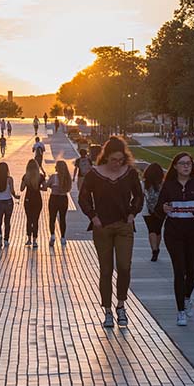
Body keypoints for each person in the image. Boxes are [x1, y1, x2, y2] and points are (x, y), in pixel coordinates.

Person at [78, 136, 144, 328]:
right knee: (106, 270)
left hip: (124, 226)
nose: (117, 163)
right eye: (114, 160)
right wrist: (93, 216)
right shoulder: (94, 174)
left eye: (121, 160)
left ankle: (121, 305)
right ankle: (107, 310)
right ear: (106, 157)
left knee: (124, 267)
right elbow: (83, 198)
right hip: (102, 227)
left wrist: (133, 213)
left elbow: (139, 196)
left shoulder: (129, 173)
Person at [154, 152, 194, 326]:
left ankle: (187, 297)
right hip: (174, 233)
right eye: (182, 163)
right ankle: (180, 311)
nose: (186, 166)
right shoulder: (169, 186)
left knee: (192, 271)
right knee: (179, 271)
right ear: (175, 167)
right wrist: (163, 208)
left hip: (193, 233)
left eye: (189, 163)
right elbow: (158, 209)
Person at [0, 161, 19, 247]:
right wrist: (16, 196)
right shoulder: (10, 179)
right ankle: (6, 240)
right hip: (9, 202)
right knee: (7, 221)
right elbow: (12, 191)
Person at [20, 159, 46, 247]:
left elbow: (21, 188)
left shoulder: (25, 176)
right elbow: (45, 188)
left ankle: (29, 239)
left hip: (28, 199)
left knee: (29, 219)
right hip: (37, 200)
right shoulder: (41, 177)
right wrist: (38, 188)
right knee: (35, 220)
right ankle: (35, 240)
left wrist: (26, 183)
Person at [141, 162, 165, 261]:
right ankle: (157, 248)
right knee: (158, 230)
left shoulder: (144, 183)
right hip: (160, 210)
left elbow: (140, 196)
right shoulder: (163, 184)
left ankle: (154, 249)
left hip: (147, 211)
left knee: (151, 230)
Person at [47, 160, 72, 246]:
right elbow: (68, 189)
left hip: (54, 198)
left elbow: (46, 186)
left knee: (52, 218)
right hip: (63, 199)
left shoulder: (53, 177)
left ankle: (53, 236)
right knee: (62, 218)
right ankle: (63, 237)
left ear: (57, 168)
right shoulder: (67, 177)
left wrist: (51, 186)